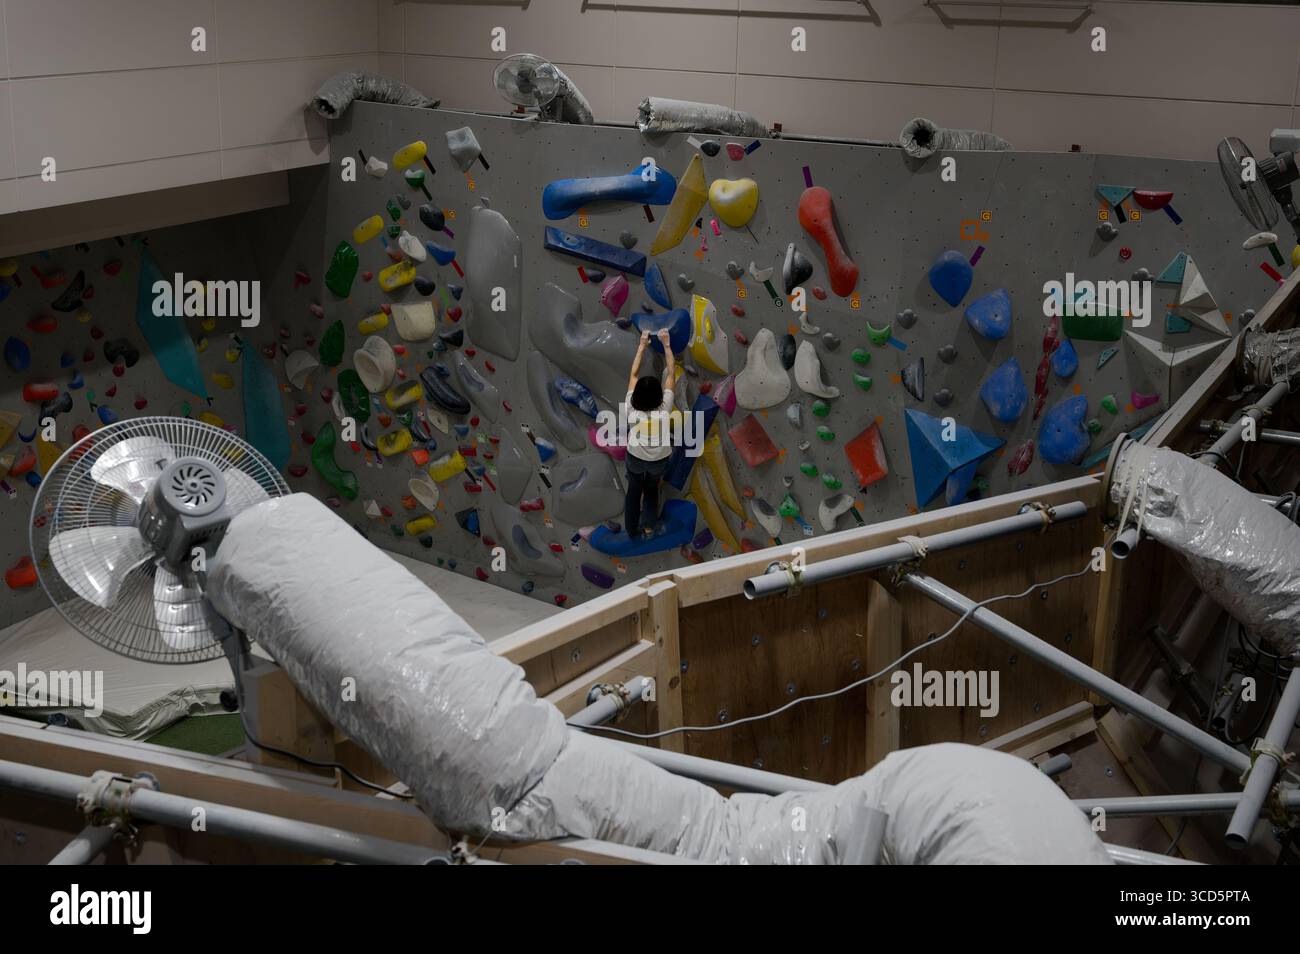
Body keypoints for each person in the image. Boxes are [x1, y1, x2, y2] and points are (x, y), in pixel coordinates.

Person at [621, 328, 676, 538]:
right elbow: (671, 373)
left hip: (635, 457)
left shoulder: (630, 406)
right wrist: (666, 344)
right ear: (658, 396)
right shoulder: (665, 407)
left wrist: (642, 344)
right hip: (659, 460)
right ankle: (648, 526)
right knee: (651, 490)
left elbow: (633, 374)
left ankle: (631, 529)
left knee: (633, 491)